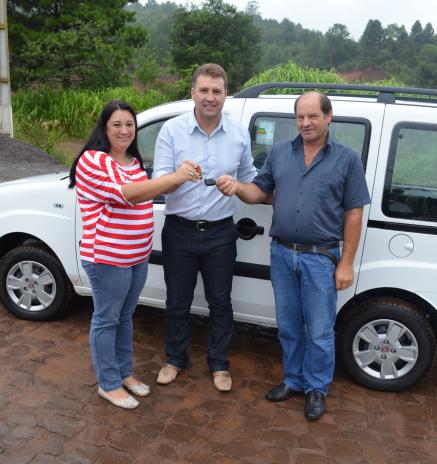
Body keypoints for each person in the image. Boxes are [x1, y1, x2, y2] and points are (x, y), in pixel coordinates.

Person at [216, 91, 371, 420]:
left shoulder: (346, 159)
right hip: (283, 254)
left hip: (320, 258)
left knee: (319, 330)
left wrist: (346, 263)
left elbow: (354, 213)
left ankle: (317, 388)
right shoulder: (280, 152)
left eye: (313, 116)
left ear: (329, 117)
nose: (306, 123)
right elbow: (260, 192)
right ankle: (294, 380)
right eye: (300, 117)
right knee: (287, 326)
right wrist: (236, 187)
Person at [68, 100, 200, 410]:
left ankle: (123, 373)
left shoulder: (133, 161)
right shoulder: (94, 160)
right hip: (108, 258)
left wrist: (188, 175)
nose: (125, 130)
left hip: (137, 256)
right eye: (117, 124)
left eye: (130, 124)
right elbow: (125, 195)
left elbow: (149, 191)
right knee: (106, 319)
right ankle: (108, 383)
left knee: (125, 316)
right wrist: (176, 177)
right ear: (104, 127)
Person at [152, 63, 257, 392]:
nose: (210, 97)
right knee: (177, 302)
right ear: (193, 93)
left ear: (226, 94)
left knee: (221, 302)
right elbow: (157, 185)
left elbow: (251, 181)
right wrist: (177, 176)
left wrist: (236, 186)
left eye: (217, 91)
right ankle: (175, 359)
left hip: (220, 233)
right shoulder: (172, 130)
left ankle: (219, 364)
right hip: (179, 229)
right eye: (204, 90)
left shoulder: (239, 133)